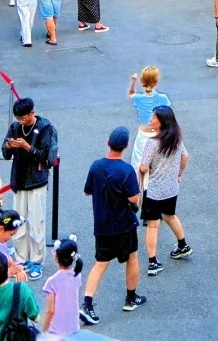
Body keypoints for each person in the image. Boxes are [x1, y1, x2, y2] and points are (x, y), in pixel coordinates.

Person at [80, 126, 145, 326]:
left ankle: (87, 303)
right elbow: (134, 198)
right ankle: (131, 298)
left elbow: (87, 191)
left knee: (100, 263)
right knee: (132, 257)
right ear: (126, 146)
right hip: (124, 224)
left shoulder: (96, 166)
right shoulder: (126, 170)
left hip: (102, 224)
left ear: (107, 143)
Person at [1, 96, 58, 281]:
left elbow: (46, 157)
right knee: (18, 221)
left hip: (37, 180)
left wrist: (27, 147)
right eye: (18, 118)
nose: (20, 121)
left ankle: (36, 260)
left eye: (23, 118)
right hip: (19, 180)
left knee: (36, 221)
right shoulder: (15, 127)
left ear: (32, 113)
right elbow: (5, 152)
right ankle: (21, 258)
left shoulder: (45, 127)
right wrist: (8, 146)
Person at [138, 104, 191, 274]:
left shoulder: (152, 143)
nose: (150, 120)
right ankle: (183, 245)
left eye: (154, 117)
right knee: (170, 216)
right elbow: (185, 157)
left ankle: (153, 262)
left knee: (153, 225)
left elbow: (143, 167)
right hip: (171, 188)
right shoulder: (176, 139)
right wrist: (179, 174)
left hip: (154, 190)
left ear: (162, 121)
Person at [129, 67, 172, 169]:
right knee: (156, 164)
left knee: (138, 163)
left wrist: (133, 82)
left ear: (142, 81)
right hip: (157, 134)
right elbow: (167, 116)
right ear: (156, 82)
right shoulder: (163, 98)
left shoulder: (138, 98)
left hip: (143, 133)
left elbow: (131, 93)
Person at [42, 237, 83, 339]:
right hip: (73, 325)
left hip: (56, 329)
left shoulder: (52, 281)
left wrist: (43, 331)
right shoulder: (77, 275)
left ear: (56, 257)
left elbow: (50, 311)